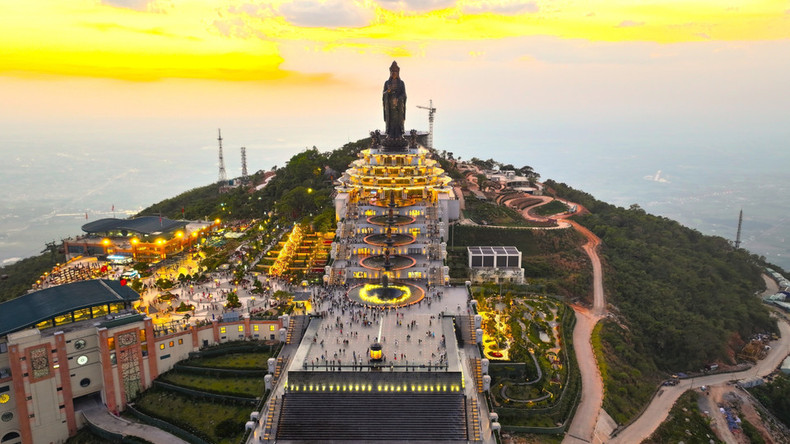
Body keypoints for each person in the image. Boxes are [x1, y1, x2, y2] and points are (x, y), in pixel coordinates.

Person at [383, 61, 406, 140]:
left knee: (398, 120)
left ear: (398, 72)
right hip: (390, 106)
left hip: (398, 106)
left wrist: (399, 99)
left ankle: (399, 134)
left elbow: (404, 94)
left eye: (395, 71)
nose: (394, 73)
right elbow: (384, 94)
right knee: (391, 120)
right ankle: (390, 134)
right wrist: (388, 91)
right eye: (392, 71)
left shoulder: (401, 83)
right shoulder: (387, 83)